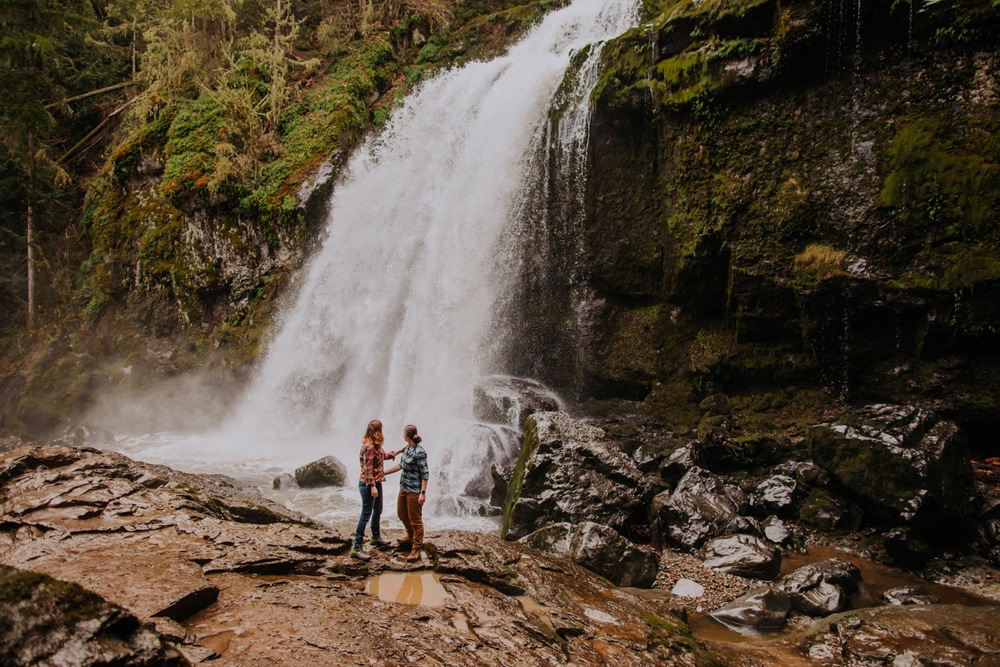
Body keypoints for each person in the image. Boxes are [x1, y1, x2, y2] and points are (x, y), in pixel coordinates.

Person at [385, 424, 429, 562]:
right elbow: (401, 465)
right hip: (404, 488)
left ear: (406, 436)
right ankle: (410, 536)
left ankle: (416, 547)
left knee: (415, 520)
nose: (402, 436)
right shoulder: (408, 448)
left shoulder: (420, 453)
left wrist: (423, 493)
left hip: (414, 491)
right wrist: (384, 472)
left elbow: (425, 474)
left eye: (403, 434)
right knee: (402, 514)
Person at [351, 419, 392, 561]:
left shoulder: (375, 446)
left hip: (377, 481)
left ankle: (375, 537)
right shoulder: (368, 447)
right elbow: (368, 470)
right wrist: (373, 486)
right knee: (365, 514)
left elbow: (381, 457)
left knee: (378, 509)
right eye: (381, 429)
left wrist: (395, 453)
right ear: (377, 431)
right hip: (368, 484)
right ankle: (356, 547)